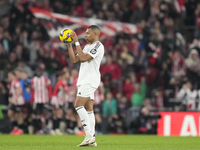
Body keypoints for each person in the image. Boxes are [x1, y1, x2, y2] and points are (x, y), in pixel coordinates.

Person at [66, 25, 104, 147]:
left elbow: (83, 58)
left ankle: (88, 136)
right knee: (88, 109)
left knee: (78, 105)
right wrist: (69, 44)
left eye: (88, 33)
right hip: (85, 80)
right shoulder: (87, 47)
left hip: (89, 80)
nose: (85, 35)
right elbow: (74, 60)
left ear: (95, 34)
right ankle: (92, 138)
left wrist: (76, 41)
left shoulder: (98, 46)